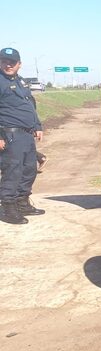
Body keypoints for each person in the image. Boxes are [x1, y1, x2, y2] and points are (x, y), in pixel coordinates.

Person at [0, 47, 45, 224]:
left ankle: (22, 202)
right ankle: (8, 208)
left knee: (29, 170)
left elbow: (29, 105)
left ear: (19, 64)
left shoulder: (20, 81)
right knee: (13, 171)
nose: (8, 65)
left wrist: (37, 125)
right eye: (4, 61)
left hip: (26, 134)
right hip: (10, 134)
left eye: (12, 62)